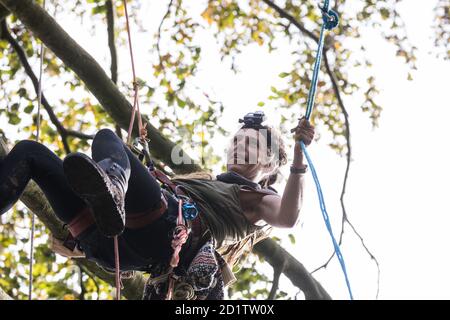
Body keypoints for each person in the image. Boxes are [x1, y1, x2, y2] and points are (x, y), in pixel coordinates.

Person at [0, 111, 314, 299]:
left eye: (249, 143)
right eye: (235, 141)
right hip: (112, 245)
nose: (237, 147)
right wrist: (77, 248)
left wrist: (299, 158)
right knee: (30, 153)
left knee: (107, 140)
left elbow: (287, 216)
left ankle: (113, 190)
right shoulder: (205, 182)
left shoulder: (256, 201)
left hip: (166, 231)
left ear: (269, 162)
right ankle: (110, 198)